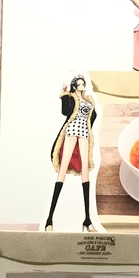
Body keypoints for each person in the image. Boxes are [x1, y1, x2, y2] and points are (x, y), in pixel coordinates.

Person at [45, 75, 98, 232]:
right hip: (72, 130)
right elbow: (65, 112)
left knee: (85, 172)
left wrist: (88, 124)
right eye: (79, 84)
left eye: (83, 84)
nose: (82, 86)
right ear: (74, 86)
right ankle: (49, 219)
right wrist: (64, 95)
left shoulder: (88, 100)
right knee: (62, 170)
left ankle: (87, 220)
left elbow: (93, 116)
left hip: (84, 133)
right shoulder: (71, 97)